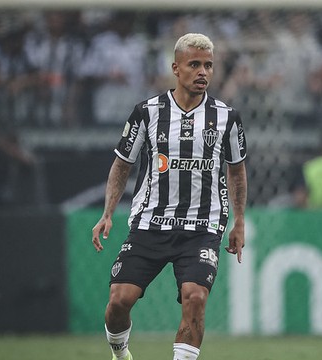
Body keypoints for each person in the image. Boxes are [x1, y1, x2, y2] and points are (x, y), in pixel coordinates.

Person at [91, 33, 248, 360]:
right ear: (176, 68)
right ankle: (120, 354)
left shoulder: (226, 118)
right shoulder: (147, 113)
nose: (203, 72)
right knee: (118, 301)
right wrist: (107, 212)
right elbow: (122, 165)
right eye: (194, 65)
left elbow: (236, 170)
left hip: (201, 228)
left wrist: (239, 221)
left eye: (208, 65)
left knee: (195, 298)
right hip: (150, 223)